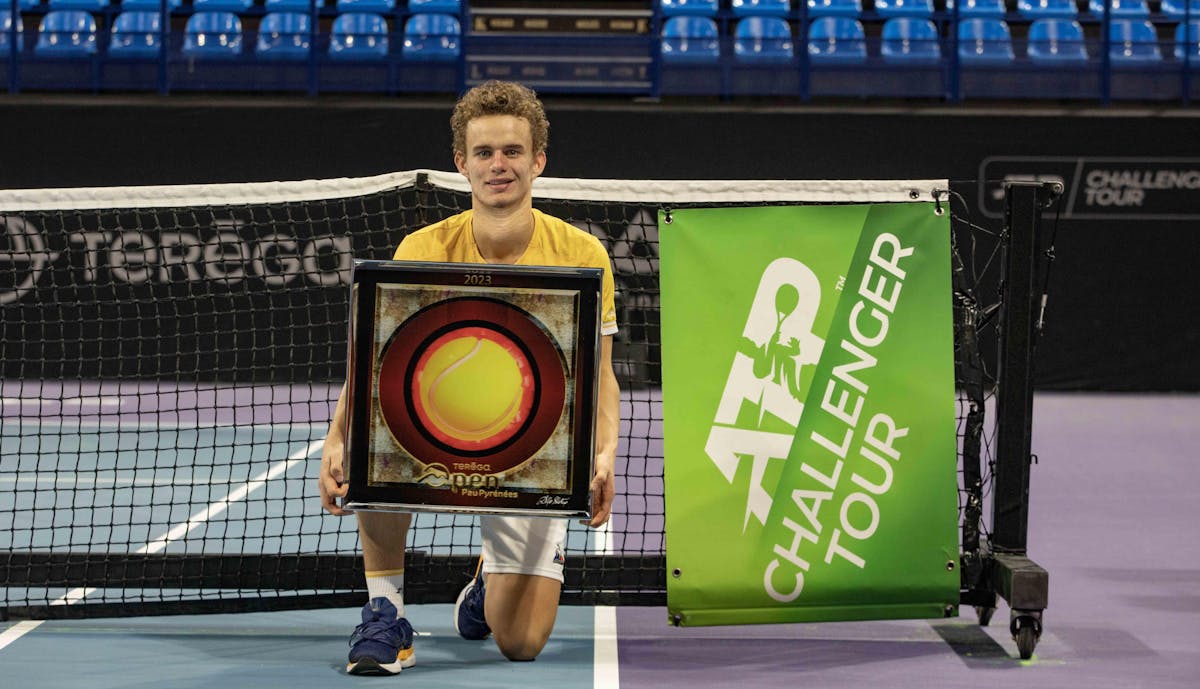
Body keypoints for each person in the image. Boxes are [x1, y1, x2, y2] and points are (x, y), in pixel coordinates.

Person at [317, 80, 620, 676]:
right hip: (439, 422)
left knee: (520, 644)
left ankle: (488, 581)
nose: (498, 165)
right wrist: (338, 439)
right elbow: (379, 366)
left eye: (512, 151)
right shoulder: (423, 249)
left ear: (538, 160)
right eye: (484, 153)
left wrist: (605, 452)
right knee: (378, 445)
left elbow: (601, 375)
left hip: (533, 445)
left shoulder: (582, 256)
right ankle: (386, 611)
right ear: (462, 163)